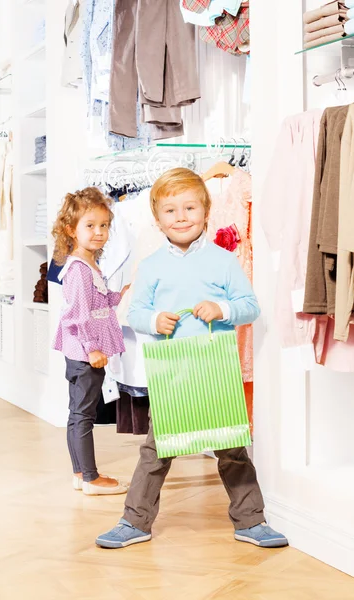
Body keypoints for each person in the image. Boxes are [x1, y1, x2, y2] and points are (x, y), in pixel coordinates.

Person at [96, 168, 288, 548]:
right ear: (156, 219)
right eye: (170, 210)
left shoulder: (223, 261)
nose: (180, 217)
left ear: (206, 211)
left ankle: (251, 521)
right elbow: (133, 314)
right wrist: (153, 319)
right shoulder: (151, 266)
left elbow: (249, 306)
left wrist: (221, 308)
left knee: (231, 446)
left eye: (189, 208)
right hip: (172, 372)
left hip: (215, 369)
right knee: (156, 449)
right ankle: (135, 522)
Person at [52, 187, 128, 496]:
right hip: (85, 354)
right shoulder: (79, 271)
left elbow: (98, 301)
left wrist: (119, 296)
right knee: (84, 414)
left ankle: (80, 472)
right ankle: (91, 478)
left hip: (81, 353)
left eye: (104, 225)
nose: (99, 232)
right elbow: (79, 316)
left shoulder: (88, 265)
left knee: (77, 412)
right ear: (71, 229)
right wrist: (93, 348)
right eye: (90, 225)